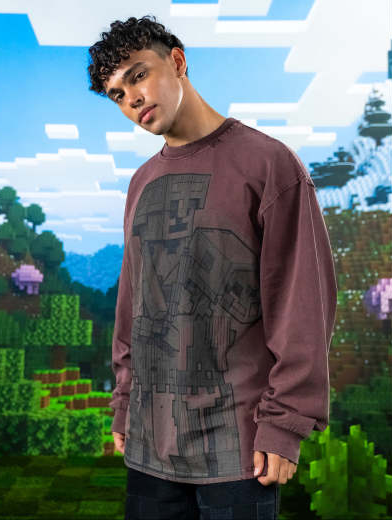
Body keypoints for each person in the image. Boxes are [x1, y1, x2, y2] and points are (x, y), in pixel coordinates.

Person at [88, 14, 338, 520]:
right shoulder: (141, 183)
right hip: (150, 442)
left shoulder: (268, 164)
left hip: (239, 449)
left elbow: (302, 303)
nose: (132, 99)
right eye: (117, 94)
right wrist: (124, 401)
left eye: (139, 75)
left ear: (178, 62)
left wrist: (285, 423)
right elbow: (132, 305)